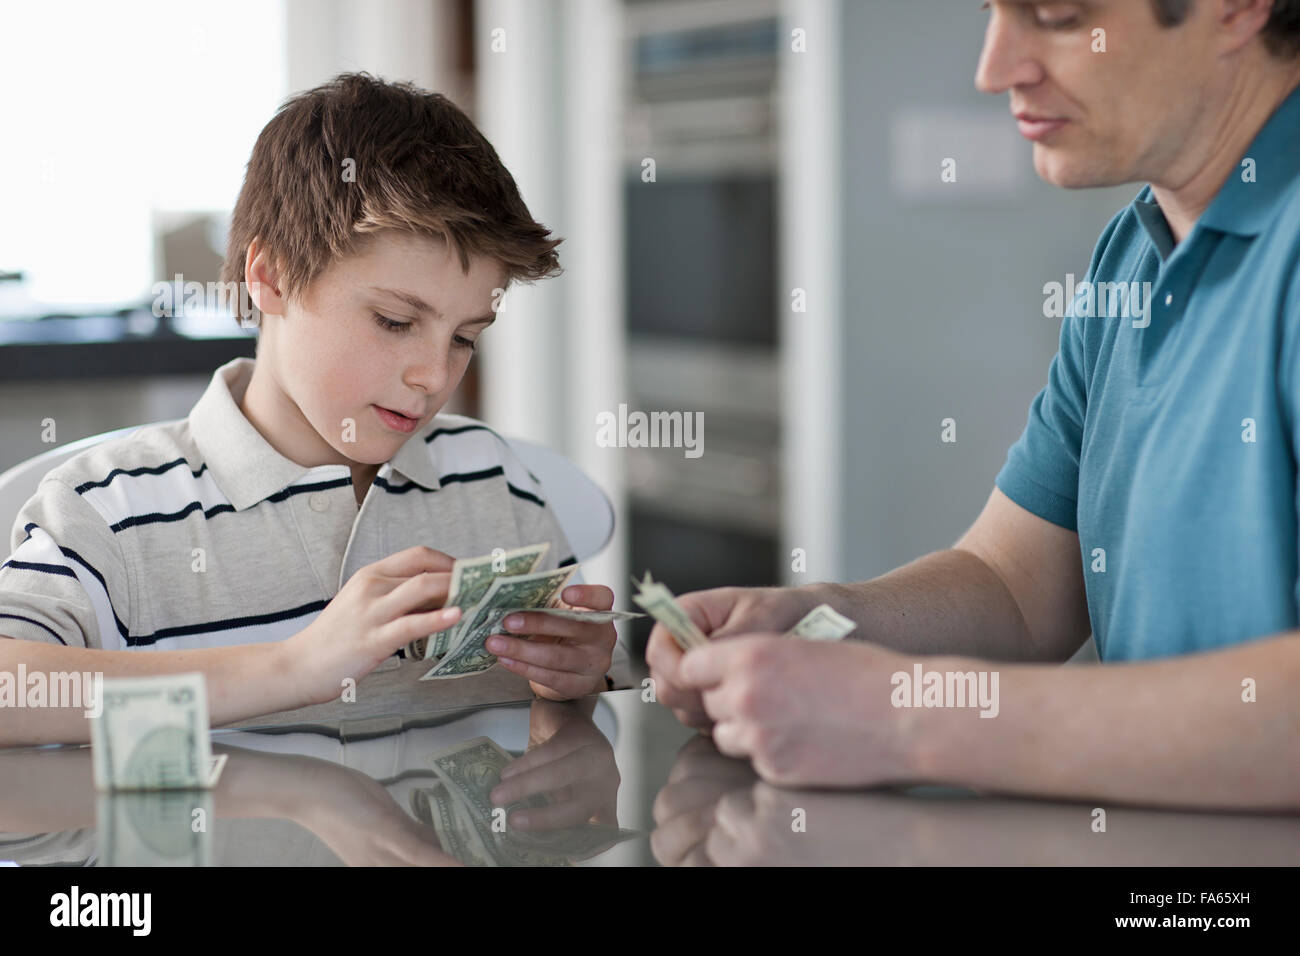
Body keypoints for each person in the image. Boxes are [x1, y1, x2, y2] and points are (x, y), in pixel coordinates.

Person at [648, 0, 1300, 810]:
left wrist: (907, 714)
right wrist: (815, 623)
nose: (995, 70)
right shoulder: (1132, 254)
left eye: (1056, 16)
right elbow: (1017, 585)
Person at [0, 74, 616, 745]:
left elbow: (569, 717)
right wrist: (297, 665)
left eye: (465, 337)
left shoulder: (493, 480)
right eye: (393, 320)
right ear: (271, 278)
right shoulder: (110, 509)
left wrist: (573, 676)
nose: (436, 374)